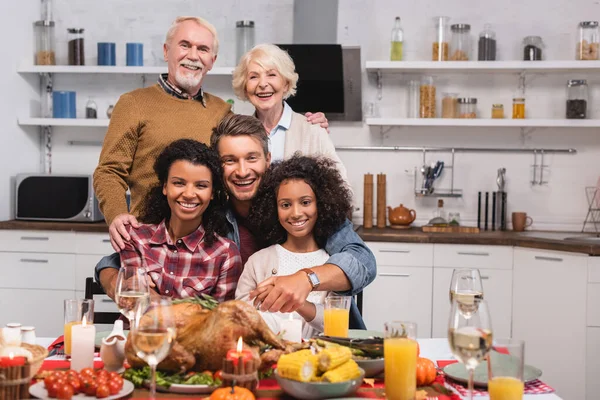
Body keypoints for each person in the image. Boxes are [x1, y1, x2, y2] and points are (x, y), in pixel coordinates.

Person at [94, 17, 328, 252]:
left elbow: (240, 157)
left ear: (212, 61)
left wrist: (310, 124)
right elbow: (108, 171)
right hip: (150, 241)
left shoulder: (221, 111)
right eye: (185, 45)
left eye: (203, 49)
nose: (193, 55)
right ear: (166, 51)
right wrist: (117, 214)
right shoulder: (134, 103)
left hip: (208, 245)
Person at [210, 114, 375, 329]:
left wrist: (306, 279)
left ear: (268, 159)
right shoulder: (212, 220)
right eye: (230, 160)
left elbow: (364, 263)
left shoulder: (313, 216)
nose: (242, 171)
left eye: (252, 158)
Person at [104, 139, 241, 302]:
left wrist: (154, 298)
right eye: (179, 183)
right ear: (165, 187)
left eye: (201, 186)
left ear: (212, 193)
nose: (189, 194)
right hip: (137, 327)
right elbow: (134, 302)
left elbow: (218, 320)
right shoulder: (134, 237)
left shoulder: (225, 254)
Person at [236, 154, 353, 338]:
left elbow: (337, 322)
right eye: (285, 205)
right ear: (274, 208)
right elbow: (240, 318)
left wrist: (297, 302)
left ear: (321, 204)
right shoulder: (258, 262)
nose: (296, 213)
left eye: (305, 202)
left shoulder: (332, 265)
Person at [232, 44, 350, 189]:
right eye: (253, 77)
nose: (263, 84)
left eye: (272, 75)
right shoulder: (238, 135)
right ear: (245, 87)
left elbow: (342, 189)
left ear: (286, 84)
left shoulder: (313, 131)